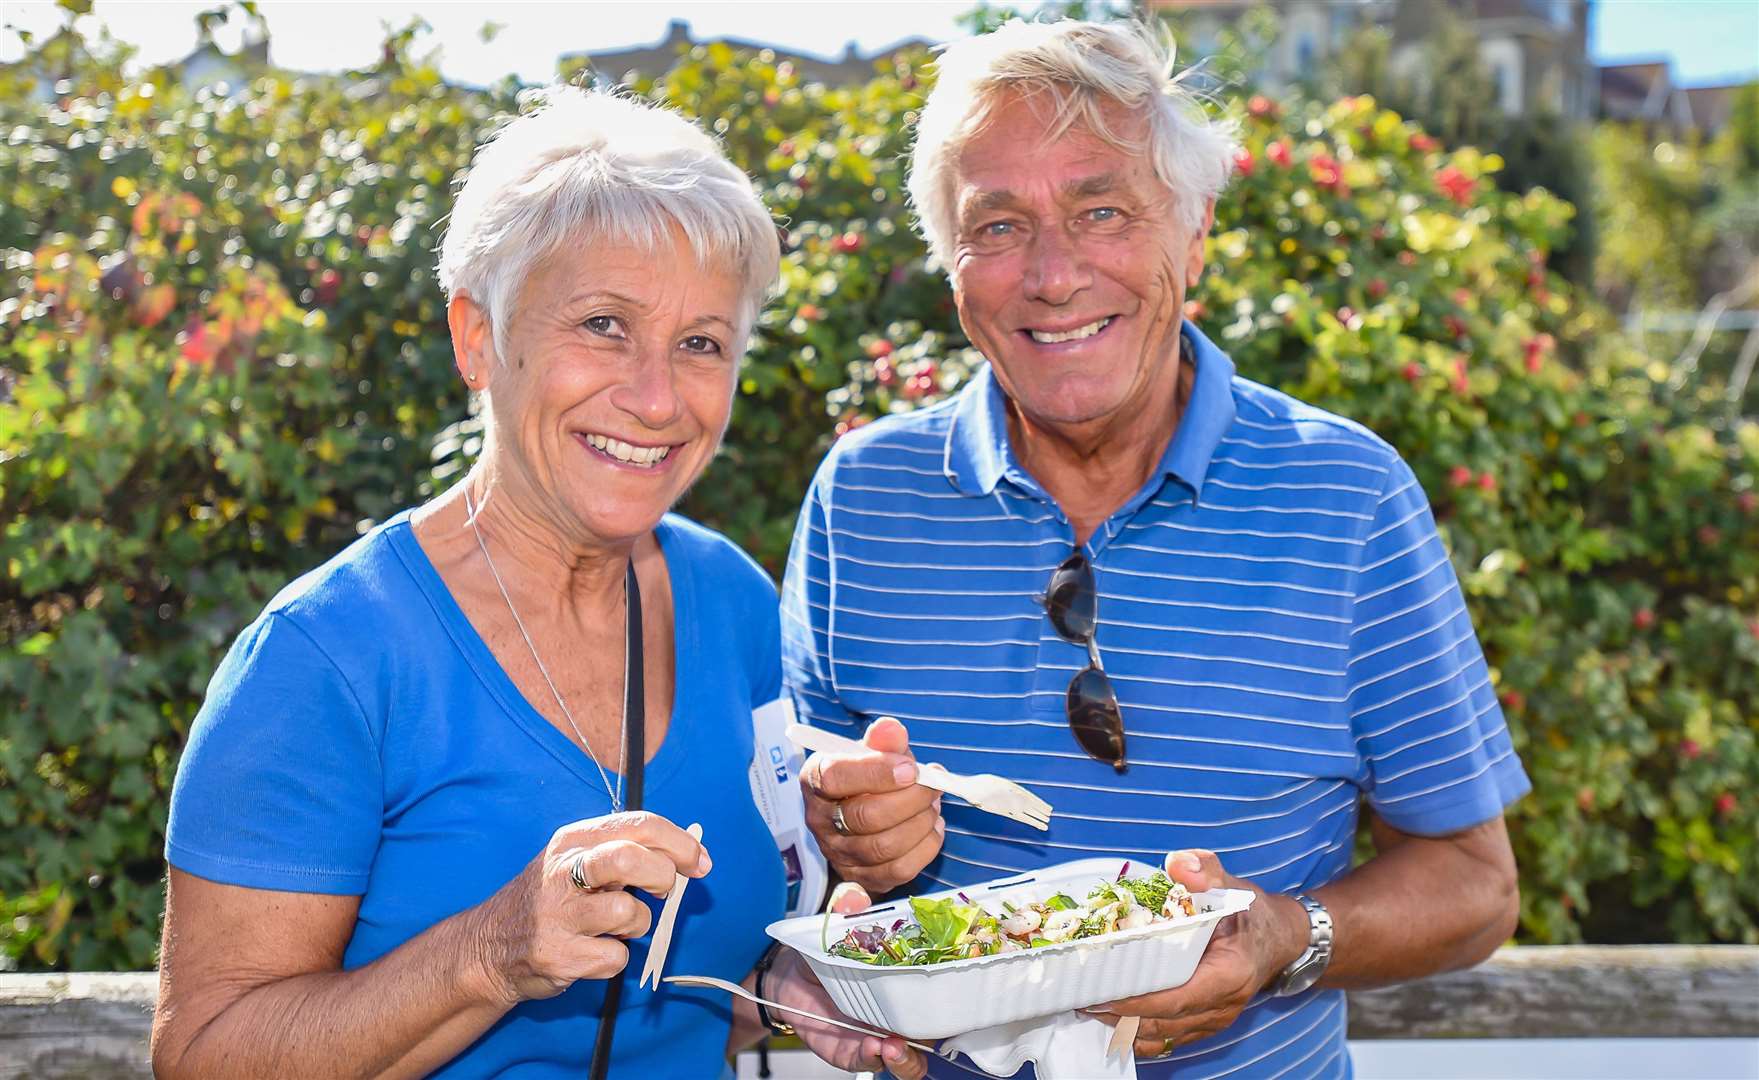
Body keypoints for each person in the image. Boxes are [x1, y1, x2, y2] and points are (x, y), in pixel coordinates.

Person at [782, 19, 1528, 1078]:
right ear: (948, 266)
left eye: (1102, 212)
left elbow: (1474, 883)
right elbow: (792, 848)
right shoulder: (862, 500)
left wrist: (1284, 940)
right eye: (995, 227)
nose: (1052, 274)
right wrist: (837, 837)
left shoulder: (1346, 498)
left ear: (1193, 235)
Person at [152, 86, 925, 1080]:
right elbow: (202, 1057)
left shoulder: (729, 603)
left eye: (700, 342)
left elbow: (706, 977)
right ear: (477, 338)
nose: (654, 397)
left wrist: (795, 987)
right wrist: (489, 953)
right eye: (603, 324)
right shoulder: (325, 657)